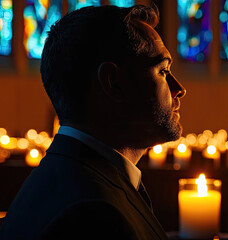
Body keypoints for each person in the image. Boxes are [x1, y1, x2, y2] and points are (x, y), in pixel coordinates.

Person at [0, 4, 185, 240]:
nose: (180, 89)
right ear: (113, 83)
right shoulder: (94, 214)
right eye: (163, 71)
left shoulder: (72, 178)